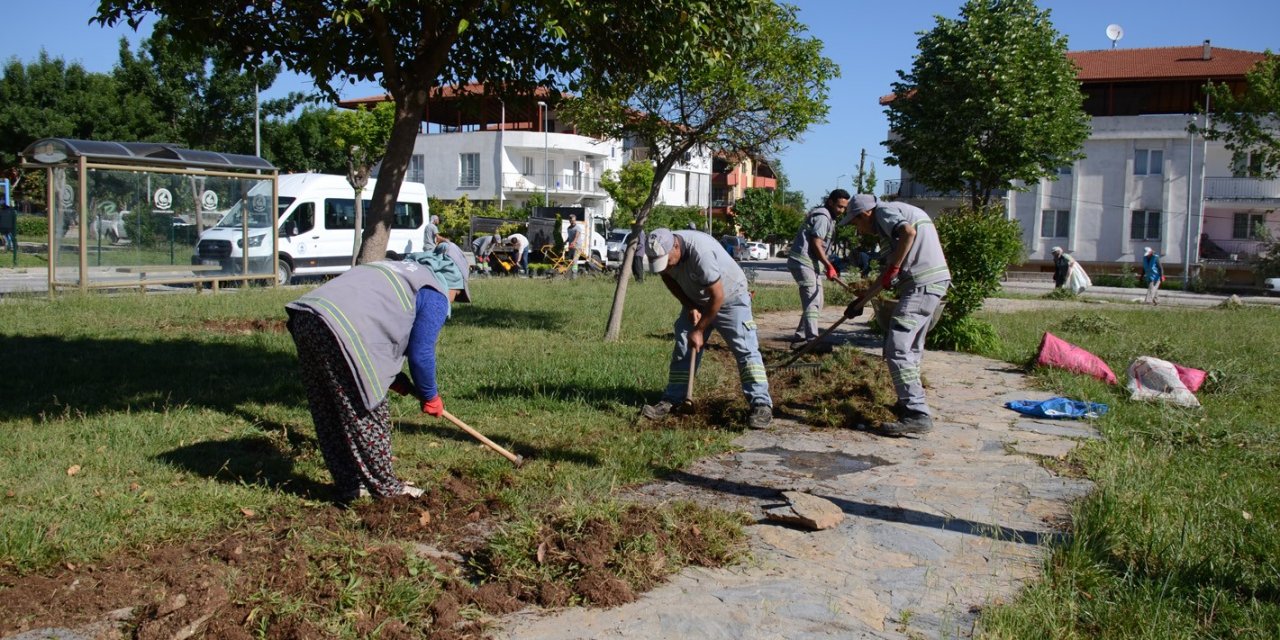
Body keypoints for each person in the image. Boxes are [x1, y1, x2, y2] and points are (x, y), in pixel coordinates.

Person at [284, 243, 472, 501]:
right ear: (453, 280)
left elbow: (377, 320)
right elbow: (421, 353)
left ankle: (351, 486)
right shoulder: (434, 290)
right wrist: (430, 395)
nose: (453, 301)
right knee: (367, 410)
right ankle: (388, 490)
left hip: (307, 317)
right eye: (457, 295)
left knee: (328, 409)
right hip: (342, 330)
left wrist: (398, 379)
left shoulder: (398, 269)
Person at [640, 228, 773, 430]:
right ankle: (673, 399)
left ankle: (761, 404)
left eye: (667, 260)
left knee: (745, 349)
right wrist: (690, 306)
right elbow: (667, 277)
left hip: (730, 298)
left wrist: (699, 330)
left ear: (675, 246)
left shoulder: (701, 253)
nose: (666, 266)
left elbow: (717, 296)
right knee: (683, 347)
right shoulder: (664, 250)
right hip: (697, 299)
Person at [844, 194, 950, 436]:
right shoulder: (892, 221)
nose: (859, 230)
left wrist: (894, 267)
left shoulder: (883, 212)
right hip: (932, 282)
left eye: (856, 223)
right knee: (911, 349)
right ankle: (909, 404)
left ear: (865, 214)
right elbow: (887, 275)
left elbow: (908, 233)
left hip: (921, 284)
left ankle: (916, 412)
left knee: (897, 347)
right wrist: (861, 302)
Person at [786, 189, 849, 344]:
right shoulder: (823, 217)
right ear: (830, 202)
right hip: (803, 263)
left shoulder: (829, 218)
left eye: (844, 208)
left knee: (817, 302)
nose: (841, 211)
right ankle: (812, 340)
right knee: (812, 302)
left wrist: (827, 265)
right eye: (839, 206)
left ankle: (800, 338)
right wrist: (829, 265)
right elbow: (816, 243)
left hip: (810, 264)